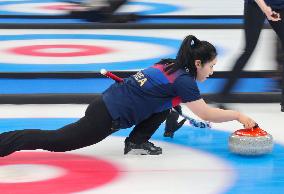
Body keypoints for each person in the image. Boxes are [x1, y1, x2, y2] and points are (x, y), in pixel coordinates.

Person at [0, 35, 256, 157]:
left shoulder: (170, 64)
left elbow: (161, 97)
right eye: (211, 66)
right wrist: (238, 115)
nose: (212, 72)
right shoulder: (185, 83)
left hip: (106, 102)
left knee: (165, 104)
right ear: (198, 63)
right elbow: (205, 113)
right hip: (107, 116)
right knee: (58, 141)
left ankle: (136, 140)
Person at [218, 0, 284, 111]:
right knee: (248, 50)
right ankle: (223, 95)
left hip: (279, 4)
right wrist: (265, 8)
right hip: (256, 5)